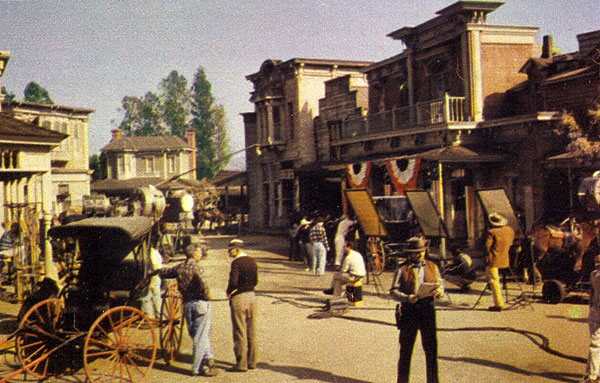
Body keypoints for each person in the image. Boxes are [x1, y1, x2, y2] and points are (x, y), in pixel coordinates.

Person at [152, 243, 218, 377]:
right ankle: (196, 368)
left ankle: (209, 356)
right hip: (200, 303)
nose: (200, 254)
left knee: (196, 333)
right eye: (199, 252)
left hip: (187, 305)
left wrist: (154, 271)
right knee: (200, 336)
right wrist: (207, 294)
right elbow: (203, 282)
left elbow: (166, 272)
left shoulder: (180, 267)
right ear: (194, 254)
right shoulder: (196, 268)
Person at [390, 236, 443, 383]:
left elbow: (440, 285)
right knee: (406, 350)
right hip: (409, 310)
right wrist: (407, 297)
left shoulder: (433, 266)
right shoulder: (402, 269)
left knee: (431, 349)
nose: (419, 255)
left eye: (421, 252)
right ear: (410, 254)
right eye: (415, 252)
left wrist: (439, 292)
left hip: (427, 309)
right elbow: (393, 291)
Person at [226, 239, 258, 372]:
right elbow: (256, 280)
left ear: (237, 249)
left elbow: (233, 281)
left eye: (230, 250)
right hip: (252, 296)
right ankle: (252, 362)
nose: (229, 253)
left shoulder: (236, 263)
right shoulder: (252, 261)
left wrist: (229, 292)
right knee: (251, 331)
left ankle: (241, 364)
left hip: (239, 297)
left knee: (239, 330)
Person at [485, 212, 515, 312]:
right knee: (494, 278)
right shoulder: (510, 231)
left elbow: (487, 247)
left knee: (494, 280)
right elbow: (511, 243)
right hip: (505, 258)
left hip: (494, 259)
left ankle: (498, 304)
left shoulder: (492, 232)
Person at [581, 253, 600, 383]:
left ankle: (592, 375)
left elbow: (592, 293)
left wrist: (592, 307)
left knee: (595, 343)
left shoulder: (594, 274)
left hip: (595, 310)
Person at [140, 232, 163, 319]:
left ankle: (155, 316)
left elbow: (157, 268)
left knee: (151, 297)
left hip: (152, 277)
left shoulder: (152, 253)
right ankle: (150, 317)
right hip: (148, 277)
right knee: (148, 298)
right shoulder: (149, 252)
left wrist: (151, 281)